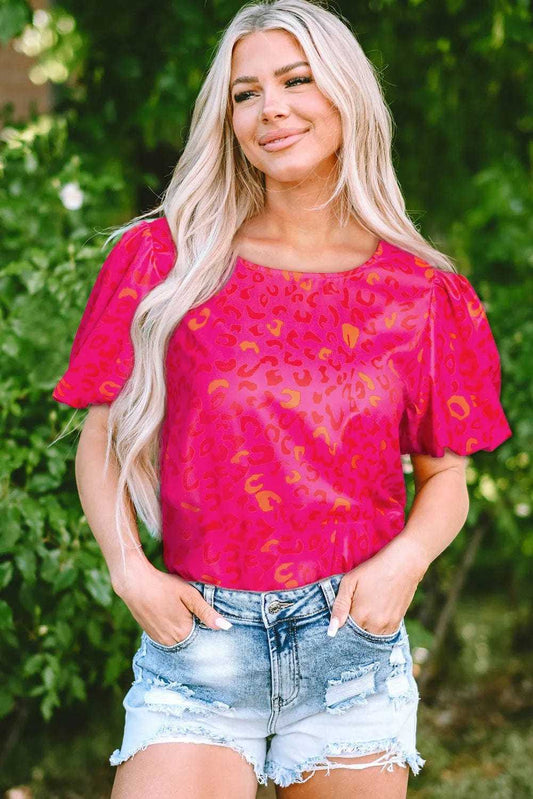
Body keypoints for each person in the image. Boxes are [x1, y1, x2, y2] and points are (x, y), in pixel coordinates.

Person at [52, 1, 513, 796]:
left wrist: (403, 564)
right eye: (245, 92)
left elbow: (445, 481)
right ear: (225, 117)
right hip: (198, 641)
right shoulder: (165, 258)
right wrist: (129, 569)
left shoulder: (422, 294)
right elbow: (103, 435)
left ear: (346, 95)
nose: (272, 109)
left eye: (296, 80)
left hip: (351, 644)